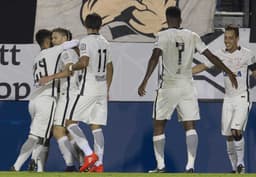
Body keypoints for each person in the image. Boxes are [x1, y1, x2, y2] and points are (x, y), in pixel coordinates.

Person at [138, 6, 237, 173]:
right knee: (190, 125)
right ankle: (190, 165)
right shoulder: (192, 36)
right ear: (180, 19)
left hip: (168, 86)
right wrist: (228, 71)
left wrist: (145, 80)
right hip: (186, 85)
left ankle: (161, 166)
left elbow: (155, 57)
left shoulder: (162, 36)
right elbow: (210, 56)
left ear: (167, 19)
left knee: (159, 125)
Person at [39, 13, 113, 173]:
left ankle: (89, 154)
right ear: (100, 26)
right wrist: (107, 88)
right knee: (96, 126)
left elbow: (84, 62)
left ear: (86, 25)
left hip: (88, 87)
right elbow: (110, 67)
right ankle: (99, 163)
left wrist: (71, 67)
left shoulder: (86, 41)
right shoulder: (105, 42)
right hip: (101, 89)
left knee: (70, 122)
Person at [11, 29, 79, 172]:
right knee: (36, 136)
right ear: (48, 41)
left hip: (33, 100)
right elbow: (74, 42)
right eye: (52, 38)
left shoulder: (37, 58)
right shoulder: (55, 51)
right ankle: (17, 166)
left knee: (44, 136)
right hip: (47, 99)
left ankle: (38, 168)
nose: (54, 41)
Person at [192, 25, 256, 174]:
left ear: (237, 39)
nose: (227, 41)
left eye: (230, 38)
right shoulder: (219, 54)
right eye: (225, 38)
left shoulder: (248, 54)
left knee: (235, 130)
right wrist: (184, 73)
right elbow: (202, 66)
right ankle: (235, 169)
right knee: (228, 136)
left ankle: (241, 163)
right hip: (228, 98)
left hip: (242, 97)